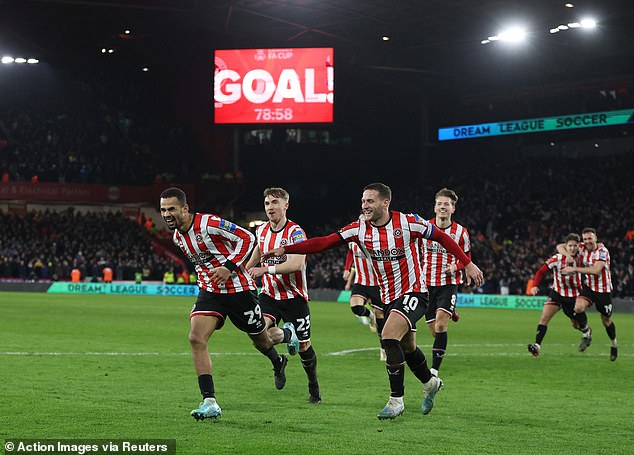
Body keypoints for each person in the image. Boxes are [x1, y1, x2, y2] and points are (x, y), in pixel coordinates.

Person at [262, 183, 484, 419]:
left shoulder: (408, 222)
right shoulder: (358, 229)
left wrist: (467, 263)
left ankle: (396, 400)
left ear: (385, 203)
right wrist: (287, 248)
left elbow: (441, 237)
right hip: (388, 296)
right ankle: (430, 383)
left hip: (414, 292)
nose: (364, 205)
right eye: (363, 201)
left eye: (370, 201)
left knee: (388, 336)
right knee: (407, 348)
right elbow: (324, 242)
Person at [159, 187, 289, 421]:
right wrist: (200, 297)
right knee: (196, 338)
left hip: (240, 290)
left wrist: (228, 267)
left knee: (261, 340)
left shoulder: (208, 223)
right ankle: (209, 401)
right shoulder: (178, 237)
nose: (167, 214)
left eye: (171, 209)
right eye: (163, 210)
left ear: (185, 208)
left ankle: (278, 359)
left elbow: (248, 238)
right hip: (211, 292)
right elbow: (201, 266)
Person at [245, 187, 321, 403]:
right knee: (259, 335)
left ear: (285, 205)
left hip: (294, 297)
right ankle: (279, 359)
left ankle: (313, 386)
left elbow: (296, 264)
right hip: (269, 295)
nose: (270, 207)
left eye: (275, 202)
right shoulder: (261, 231)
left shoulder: (295, 233)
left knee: (305, 347)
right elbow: (257, 253)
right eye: (267, 203)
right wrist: (243, 273)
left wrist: (264, 270)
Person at [421, 188, 469, 377]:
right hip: (426, 285)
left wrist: (456, 267)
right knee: (435, 332)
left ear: (453, 209)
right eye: (440, 203)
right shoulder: (424, 228)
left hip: (448, 284)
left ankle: (434, 371)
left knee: (441, 325)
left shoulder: (461, 233)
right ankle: (451, 310)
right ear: (434, 207)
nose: (443, 207)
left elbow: (467, 257)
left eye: (446, 204)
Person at [527, 233, 592, 356]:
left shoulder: (582, 258)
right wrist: (535, 285)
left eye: (575, 246)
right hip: (557, 293)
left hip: (574, 296)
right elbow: (540, 272)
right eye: (570, 246)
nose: (572, 248)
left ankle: (586, 331)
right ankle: (537, 346)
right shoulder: (557, 258)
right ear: (566, 247)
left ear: (578, 246)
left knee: (575, 324)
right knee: (544, 317)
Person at [559, 228, 618, 361]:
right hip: (589, 288)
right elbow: (560, 246)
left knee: (606, 320)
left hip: (604, 291)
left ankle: (614, 344)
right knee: (578, 307)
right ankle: (587, 333)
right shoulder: (582, 248)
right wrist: (567, 255)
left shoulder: (602, 251)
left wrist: (574, 269)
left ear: (596, 238)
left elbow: (596, 270)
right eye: (585, 239)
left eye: (589, 238)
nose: (587, 241)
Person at [343, 238, 386, 360]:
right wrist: (347, 268)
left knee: (380, 319)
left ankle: (383, 348)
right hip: (361, 282)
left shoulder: (378, 237)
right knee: (355, 307)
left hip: (377, 283)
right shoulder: (353, 236)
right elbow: (351, 252)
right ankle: (369, 315)